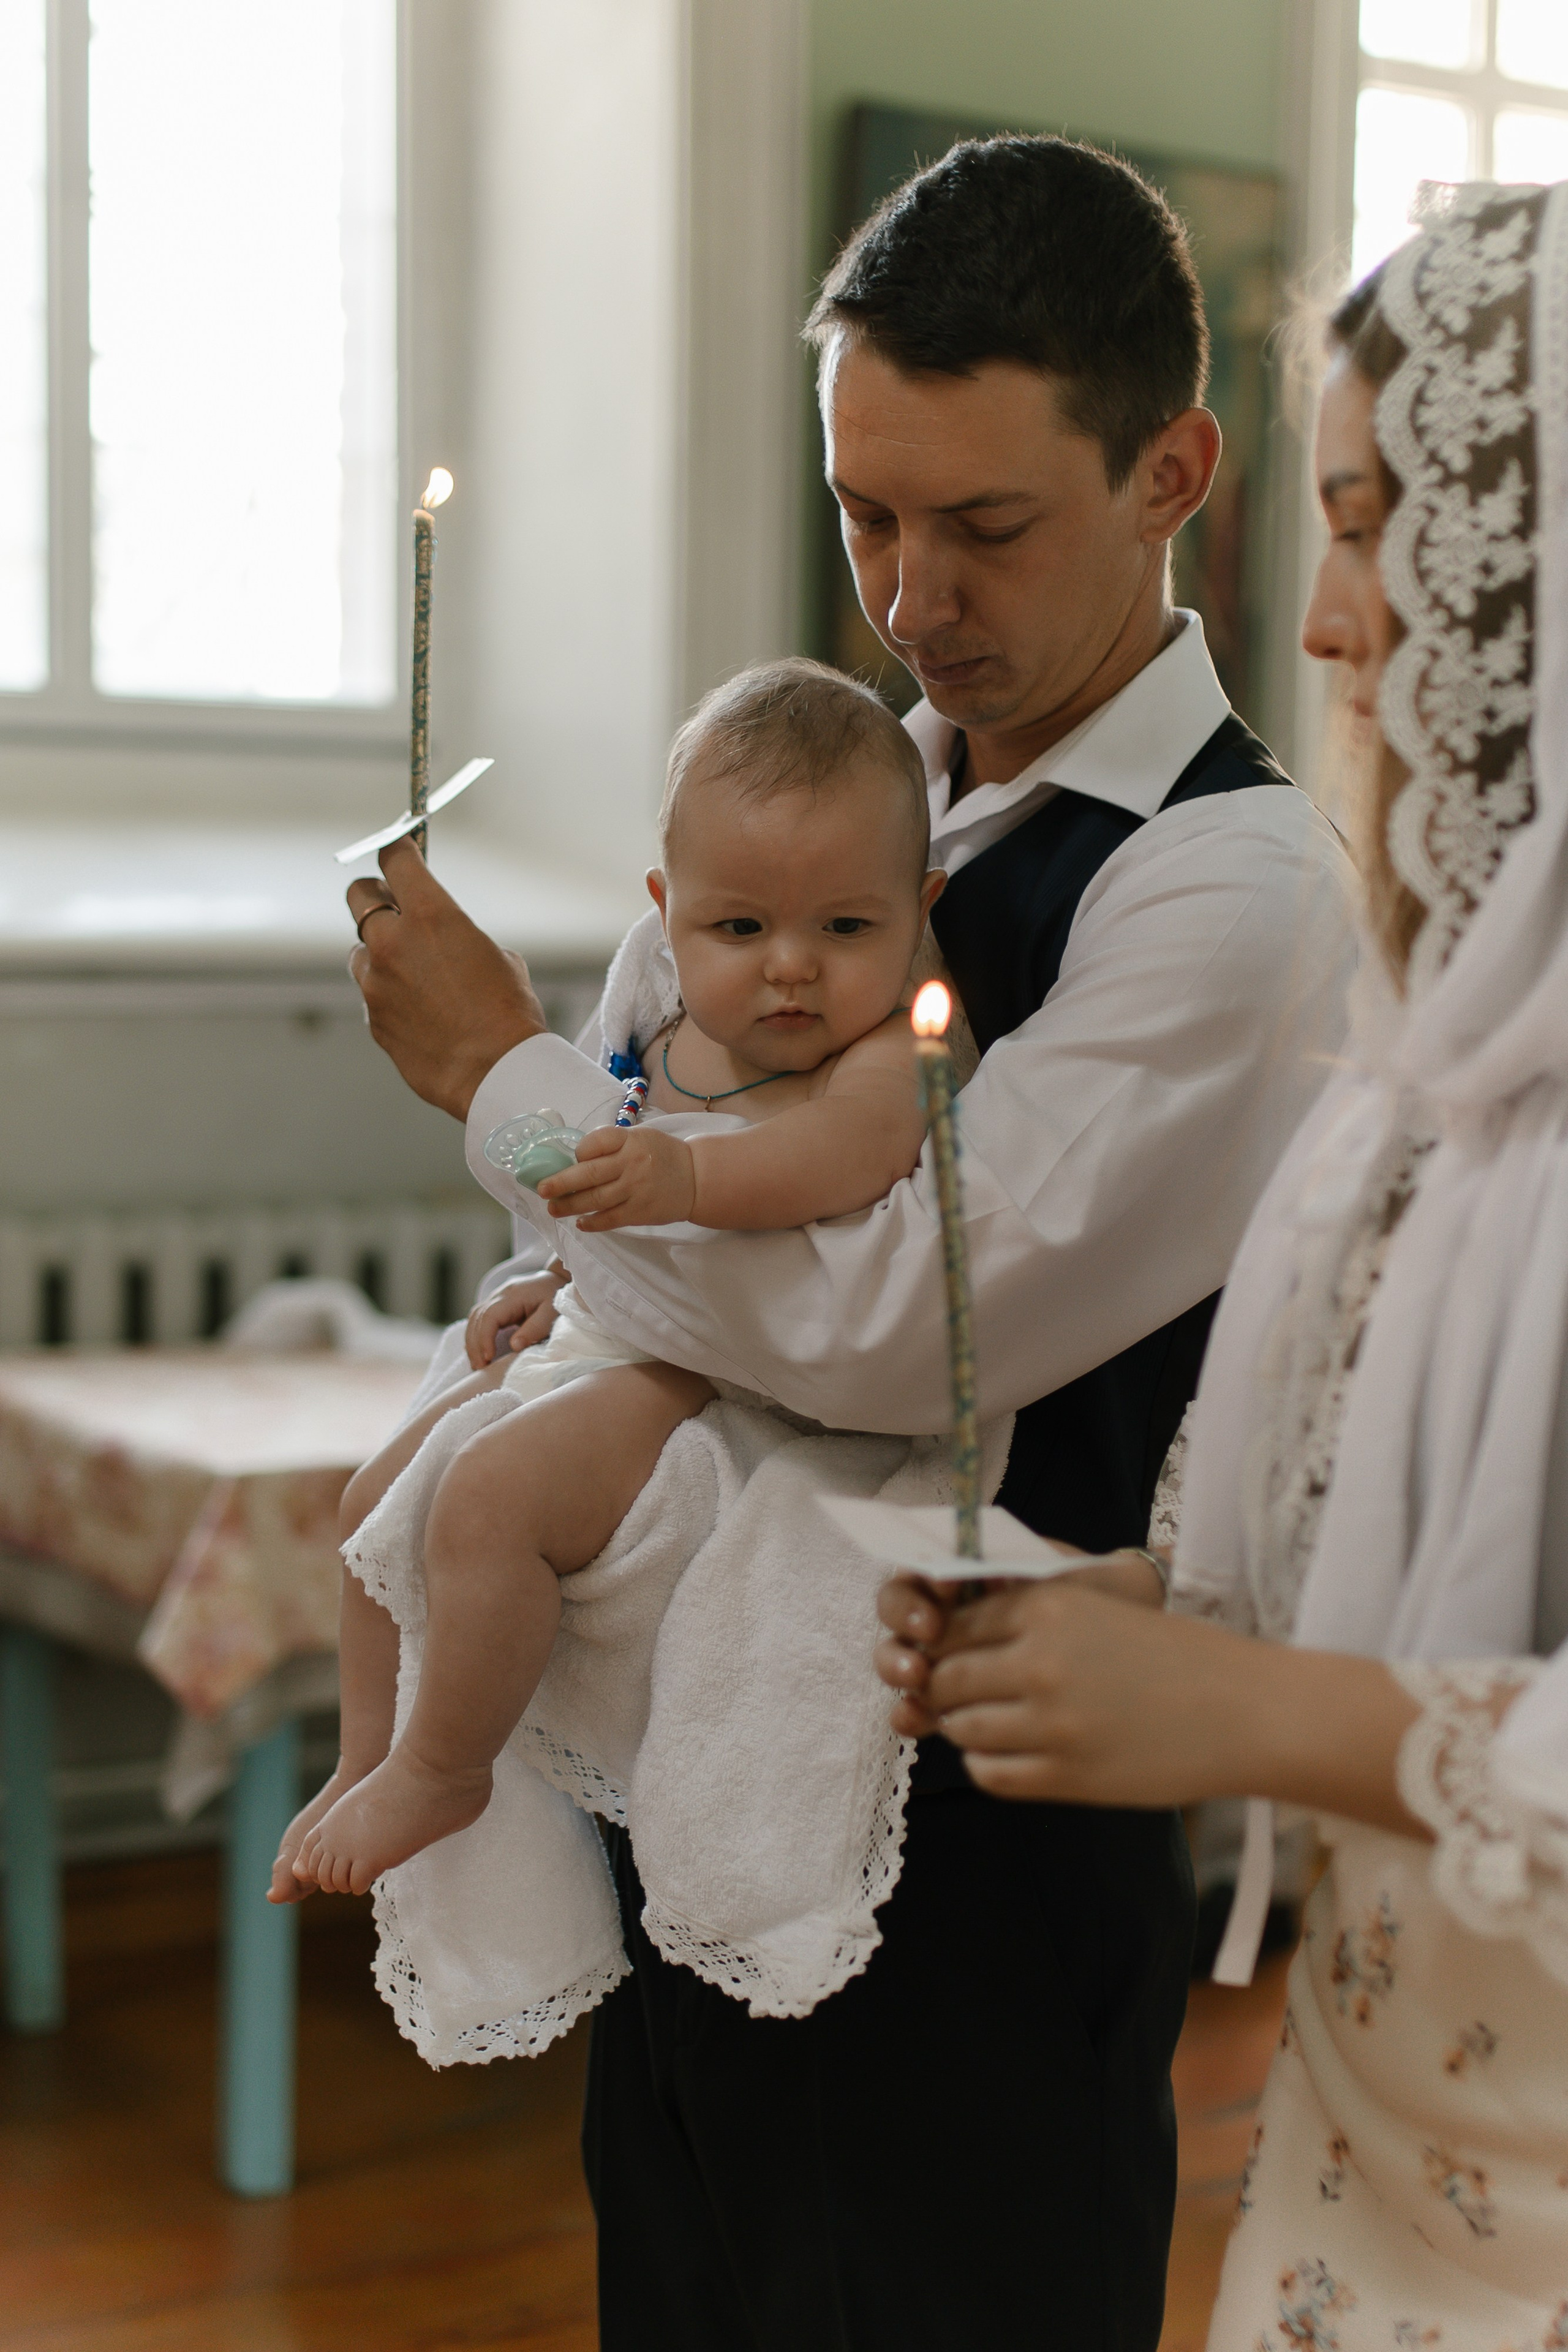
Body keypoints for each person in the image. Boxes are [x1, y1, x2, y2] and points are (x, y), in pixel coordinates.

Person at [345, 138, 1355, 2351]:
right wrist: (558, 1195)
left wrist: (510, 1086)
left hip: (981, 1834)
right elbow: (597, 1210)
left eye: (984, 524)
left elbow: (900, 1329)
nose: (908, 597)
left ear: (1174, 473)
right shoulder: (819, 809)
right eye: (865, 515)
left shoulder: (1235, 888)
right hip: (685, 1769)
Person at [878, 181, 1568, 2348]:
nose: (1335, 622)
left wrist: (1243, 1707)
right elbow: (1362, 1512)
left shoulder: (1239, 891)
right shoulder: (1445, 1063)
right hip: (1371, 2122)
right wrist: (1124, 1612)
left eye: (1378, 530)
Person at [273, 660, 945, 1899]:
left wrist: (684, 1176)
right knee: (377, 1499)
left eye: (846, 929)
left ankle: (443, 1767)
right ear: (666, 912)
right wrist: (558, 1269)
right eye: (739, 929)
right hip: (611, 1318)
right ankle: (366, 1754)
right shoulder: (660, 1019)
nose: (791, 968)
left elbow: (844, 1154)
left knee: (491, 1501)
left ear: (920, 906)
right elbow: (582, 1187)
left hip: (714, 1367)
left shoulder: (888, 1050)